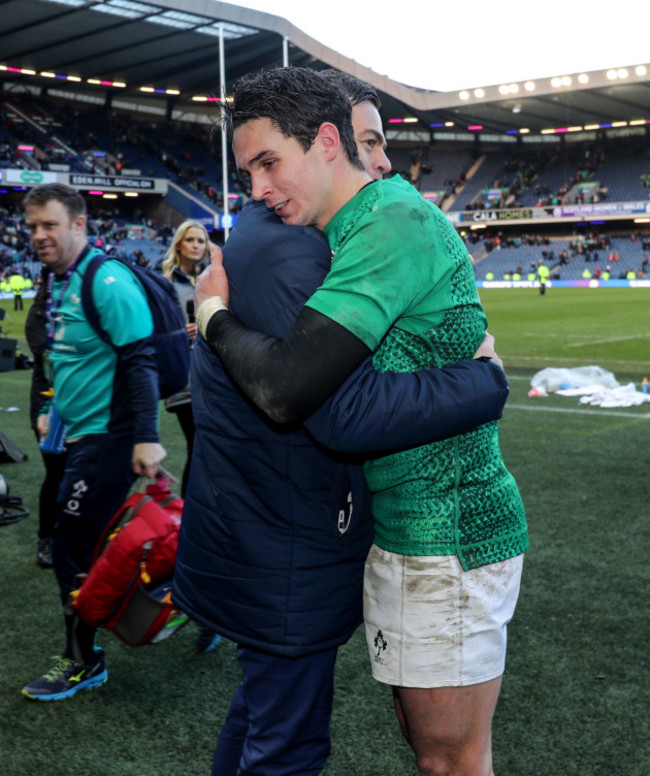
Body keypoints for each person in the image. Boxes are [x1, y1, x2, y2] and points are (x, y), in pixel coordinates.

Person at [173, 72, 513, 776]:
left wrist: (210, 315)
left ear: (325, 144)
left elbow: (299, 392)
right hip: (402, 530)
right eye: (250, 171)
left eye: (269, 163)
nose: (258, 188)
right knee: (426, 754)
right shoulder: (337, 229)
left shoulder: (389, 220)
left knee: (450, 760)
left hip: (447, 529)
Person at [20, 183, 166, 701]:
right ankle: (205, 602)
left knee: (69, 548)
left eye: (50, 225)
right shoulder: (61, 279)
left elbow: (140, 361)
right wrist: (48, 410)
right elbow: (68, 357)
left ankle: (84, 661)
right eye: (34, 226)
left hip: (112, 436)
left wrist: (147, 438)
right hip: (81, 433)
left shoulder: (106, 279)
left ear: (79, 225)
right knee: (102, 541)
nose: (39, 235)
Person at [159, 220, 209, 499]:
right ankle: (188, 508)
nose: (196, 246)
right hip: (181, 373)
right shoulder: (164, 281)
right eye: (190, 240)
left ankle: (199, 506)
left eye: (201, 241)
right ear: (179, 243)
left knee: (208, 444)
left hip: (209, 371)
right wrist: (179, 333)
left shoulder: (212, 276)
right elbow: (150, 328)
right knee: (197, 442)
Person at [24, 276, 67, 569]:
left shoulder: (86, 307)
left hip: (85, 402)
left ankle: (73, 536)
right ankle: (46, 540)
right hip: (48, 403)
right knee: (55, 475)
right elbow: (45, 356)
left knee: (81, 474)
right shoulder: (38, 313)